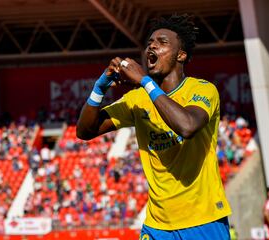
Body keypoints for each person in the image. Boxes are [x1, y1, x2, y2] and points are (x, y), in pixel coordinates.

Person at [77, 14, 231, 239]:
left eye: (162, 42)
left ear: (181, 55)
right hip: (157, 224)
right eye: (150, 43)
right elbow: (85, 131)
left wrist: (145, 81)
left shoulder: (202, 89)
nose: (152, 45)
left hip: (203, 219)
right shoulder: (137, 99)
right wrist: (100, 87)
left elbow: (187, 126)